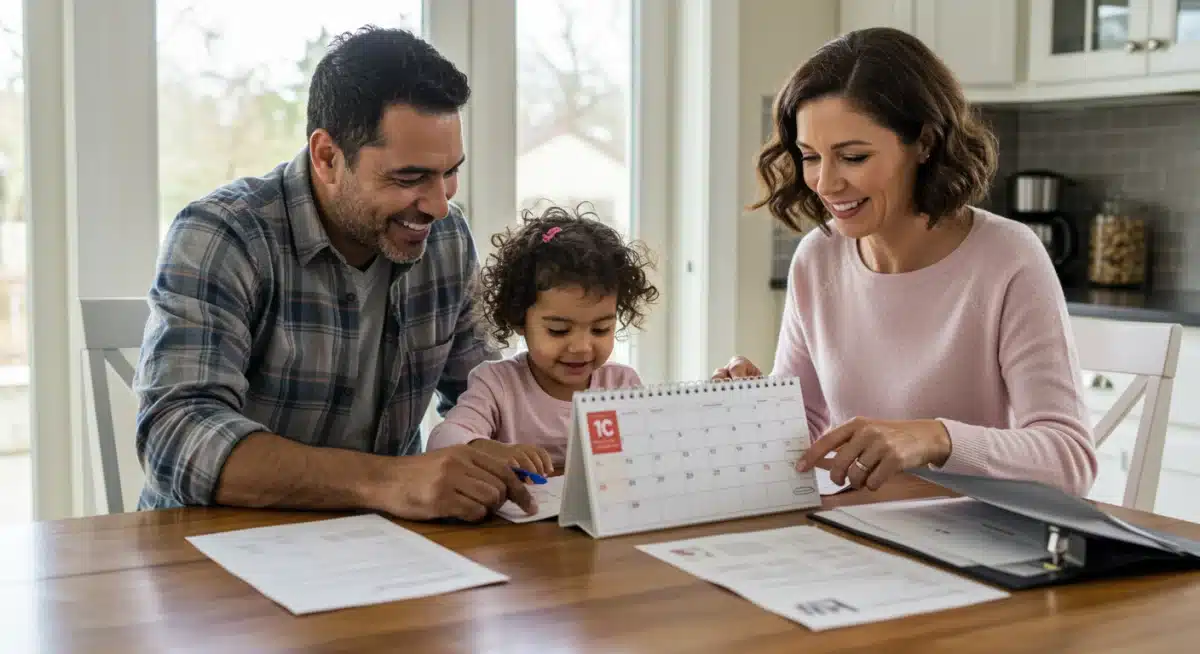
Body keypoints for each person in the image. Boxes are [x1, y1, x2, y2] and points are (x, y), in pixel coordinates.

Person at [133, 26, 537, 521]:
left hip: (386, 543)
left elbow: (484, 397)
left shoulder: (447, 239)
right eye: (410, 177)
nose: (438, 204)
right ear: (327, 157)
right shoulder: (225, 235)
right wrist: (389, 480)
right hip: (217, 544)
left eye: (450, 172)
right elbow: (175, 435)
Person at [713, 27, 1097, 496]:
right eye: (810, 157)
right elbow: (805, 430)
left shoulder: (1007, 257)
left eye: (853, 157)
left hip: (967, 528)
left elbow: (1070, 460)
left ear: (926, 143)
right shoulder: (818, 256)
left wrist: (935, 438)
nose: (826, 183)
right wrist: (751, 410)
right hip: (853, 524)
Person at [426, 204, 657, 474]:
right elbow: (442, 440)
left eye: (600, 329)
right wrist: (485, 448)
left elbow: (653, 451)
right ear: (518, 319)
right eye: (559, 330)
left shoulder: (621, 385)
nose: (581, 348)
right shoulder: (497, 385)